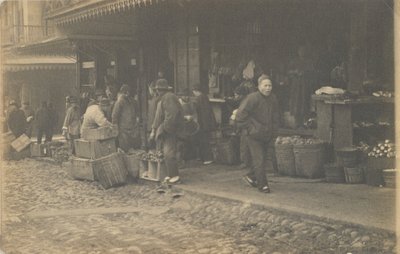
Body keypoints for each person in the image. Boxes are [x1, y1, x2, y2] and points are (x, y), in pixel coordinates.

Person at [235, 76, 279, 193]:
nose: (268, 88)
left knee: (263, 159)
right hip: (253, 136)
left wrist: (274, 131)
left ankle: (250, 176)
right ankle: (263, 185)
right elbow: (240, 115)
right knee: (259, 159)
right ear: (259, 86)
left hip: (267, 134)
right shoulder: (252, 98)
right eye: (265, 85)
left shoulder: (273, 98)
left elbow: (275, 115)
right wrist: (251, 128)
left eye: (270, 85)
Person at [149, 79, 184, 184]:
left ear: (161, 90)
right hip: (166, 128)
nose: (157, 92)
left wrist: (164, 128)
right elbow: (158, 117)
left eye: (158, 90)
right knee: (165, 152)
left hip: (170, 129)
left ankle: (175, 175)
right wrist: (154, 129)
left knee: (169, 153)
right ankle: (170, 174)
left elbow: (172, 115)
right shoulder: (163, 99)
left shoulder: (168, 97)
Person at [287, 46, 315, 128]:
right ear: (298, 52)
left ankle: (305, 123)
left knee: (304, 102)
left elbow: (313, 72)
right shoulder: (294, 61)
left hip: (305, 85)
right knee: (296, 102)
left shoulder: (309, 62)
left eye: (304, 51)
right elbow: (288, 72)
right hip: (296, 86)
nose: (302, 53)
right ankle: (297, 122)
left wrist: (305, 72)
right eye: (300, 51)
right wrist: (295, 72)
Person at [192, 83, 216, 165]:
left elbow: (199, 111)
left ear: (195, 91)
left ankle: (208, 158)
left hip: (203, 123)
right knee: (204, 140)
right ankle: (205, 158)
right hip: (206, 122)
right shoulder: (204, 97)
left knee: (204, 141)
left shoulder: (199, 98)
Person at [112, 84, 140, 152]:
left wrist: (136, 119)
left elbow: (136, 112)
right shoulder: (119, 102)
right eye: (126, 93)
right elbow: (114, 116)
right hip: (123, 129)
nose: (127, 94)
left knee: (132, 147)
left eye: (128, 93)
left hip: (131, 128)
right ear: (123, 92)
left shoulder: (131, 101)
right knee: (124, 148)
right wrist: (115, 128)